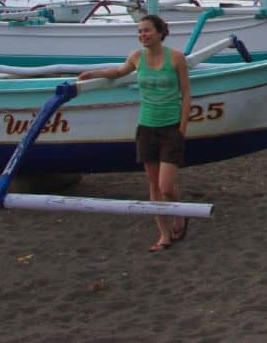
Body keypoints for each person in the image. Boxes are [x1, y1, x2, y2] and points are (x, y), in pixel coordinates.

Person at [78, 14, 192, 252]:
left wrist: (182, 127)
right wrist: (93, 74)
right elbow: (119, 72)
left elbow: (187, 95)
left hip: (171, 128)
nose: (143, 35)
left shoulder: (177, 58)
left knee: (167, 186)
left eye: (147, 31)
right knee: (153, 185)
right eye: (139, 32)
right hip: (146, 128)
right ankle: (163, 235)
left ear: (160, 32)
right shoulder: (136, 57)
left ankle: (180, 215)